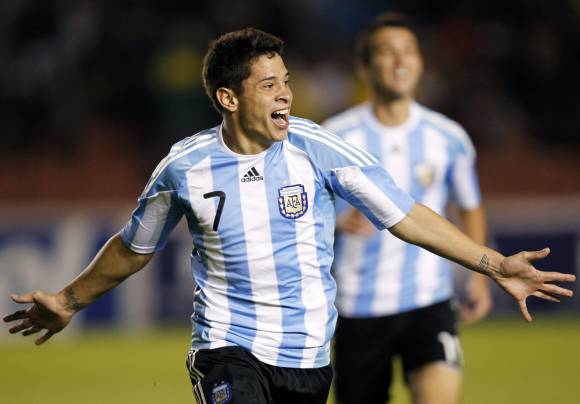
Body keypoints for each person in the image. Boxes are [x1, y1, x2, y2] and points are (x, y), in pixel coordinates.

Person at [3, 27, 575, 404]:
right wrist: (69, 300)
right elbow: (134, 248)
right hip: (226, 346)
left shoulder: (317, 148)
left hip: (308, 357)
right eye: (269, 84)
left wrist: (493, 264)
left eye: (287, 82)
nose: (286, 95)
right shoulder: (184, 167)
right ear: (229, 98)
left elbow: (406, 215)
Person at [322, 13, 490, 404]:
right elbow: (304, 213)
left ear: (420, 62)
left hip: (429, 301)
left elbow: (470, 206)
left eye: (408, 51)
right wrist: (336, 223)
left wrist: (478, 277)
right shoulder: (334, 137)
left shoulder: (448, 137)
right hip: (356, 308)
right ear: (364, 67)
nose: (399, 60)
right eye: (386, 51)